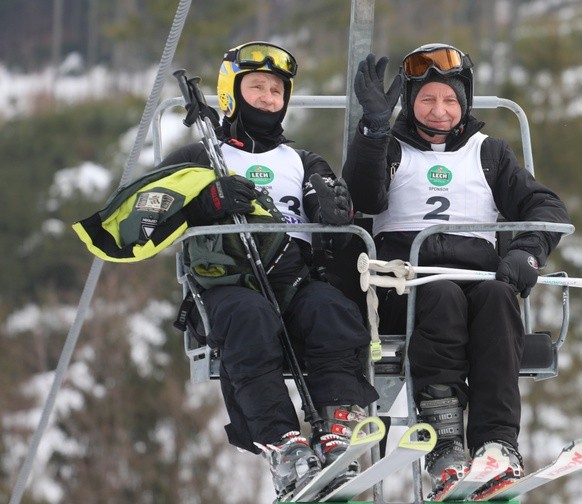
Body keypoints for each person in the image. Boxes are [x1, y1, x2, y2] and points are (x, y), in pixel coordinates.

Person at [74, 41, 378, 500]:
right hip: (227, 287)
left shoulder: (300, 160)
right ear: (231, 92)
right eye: (257, 87)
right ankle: (282, 443)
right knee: (249, 318)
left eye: (277, 91)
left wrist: (329, 206)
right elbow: (145, 218)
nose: (268, 98)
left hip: (292, 280)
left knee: (329, 307)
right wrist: (206, 201)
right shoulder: (201, 158)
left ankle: (337, 423)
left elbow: (336, 206)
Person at [343, 43, 571, 497]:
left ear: (465, 102)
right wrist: (372, 131)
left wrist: (527, 252)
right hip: (406, 286)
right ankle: (445, 441)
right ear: (410, 103)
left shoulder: (488, 154)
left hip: (478, 281)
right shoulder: (389, 150)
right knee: (443, 295)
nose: (439, 110)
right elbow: (362, 198)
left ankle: (497, 442)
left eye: (450, 100)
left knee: (499, 299)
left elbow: (546, 207)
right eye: (427, 99)